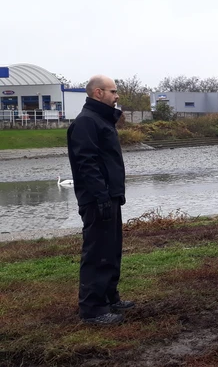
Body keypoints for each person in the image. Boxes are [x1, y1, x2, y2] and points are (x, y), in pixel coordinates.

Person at [67, 74, 133, 325]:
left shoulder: (102, 120)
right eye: (113, 91)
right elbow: (87, 163)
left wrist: (114, 195)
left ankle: (109, 297)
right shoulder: (87, 122)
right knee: (97, 252)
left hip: (110, 196)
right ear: (98, 93)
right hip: (97, 199)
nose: (117, 96)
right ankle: (93, 310)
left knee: (111, 249)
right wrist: (101, 196)